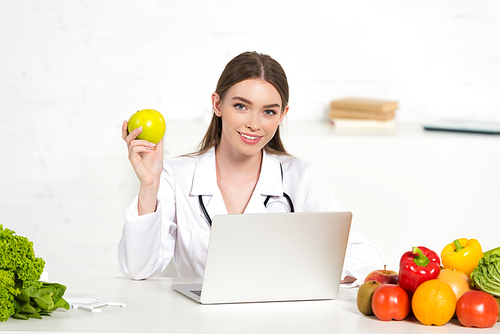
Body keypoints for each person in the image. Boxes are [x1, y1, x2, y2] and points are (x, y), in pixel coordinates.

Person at [119, 51, 384, 283]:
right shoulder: (175, 176)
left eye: (268, 111)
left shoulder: (300, 178)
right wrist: (150, 185)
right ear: (217, 104)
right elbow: (138, 268)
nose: (254, 124)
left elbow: (367, 258)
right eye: (241, 106)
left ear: (282, 115)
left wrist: (298, 274)